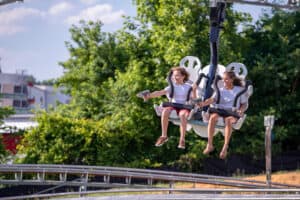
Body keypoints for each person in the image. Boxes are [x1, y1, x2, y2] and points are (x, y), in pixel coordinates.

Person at [194, 71, 248, 159]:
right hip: (220, 110)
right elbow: (212, 99)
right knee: (212, 118)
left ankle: (225, 147)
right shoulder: (220, 90)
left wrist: (241, 110)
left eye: (226, 79)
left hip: (232, 112)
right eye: (223, 79)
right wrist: (203, 104)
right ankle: (210, 144)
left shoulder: (239, 90)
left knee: (228, 121)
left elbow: (244, 104)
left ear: (232, 79)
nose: (224, 81)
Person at [143, 67, 195, 149]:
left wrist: (195, 92)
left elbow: (194, 98)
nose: (175, 78)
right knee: (165, 111)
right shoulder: (172, 86)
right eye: (174, 76)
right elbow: (160, 92)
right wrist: (149, 96)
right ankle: (164, 135)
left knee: (183, 115)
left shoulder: (188, 87)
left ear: (183, 76)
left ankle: (182, 139)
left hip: (184, 107)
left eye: (177, 76)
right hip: (173, 106)